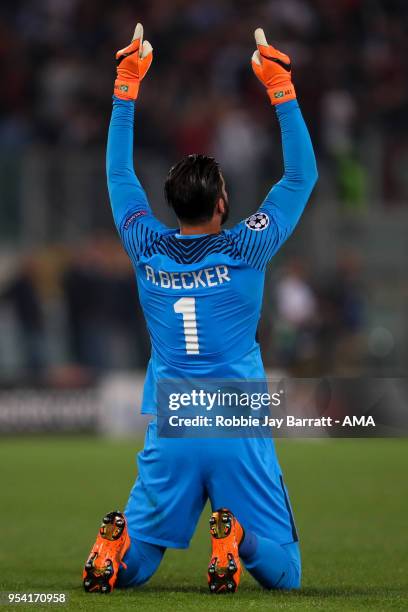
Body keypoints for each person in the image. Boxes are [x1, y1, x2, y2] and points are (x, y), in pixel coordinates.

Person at [83, 23, 317, 595]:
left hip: (174, 423)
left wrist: (126, 87)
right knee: (286, 575)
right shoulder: (246, 247)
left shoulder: (146, 246)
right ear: (223, 203)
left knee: (138, 567)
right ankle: (236, 537)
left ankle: (115, 551)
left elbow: (117, 173)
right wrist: (281, 89)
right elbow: (300, 175)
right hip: (236, 422)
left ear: (169, 204)